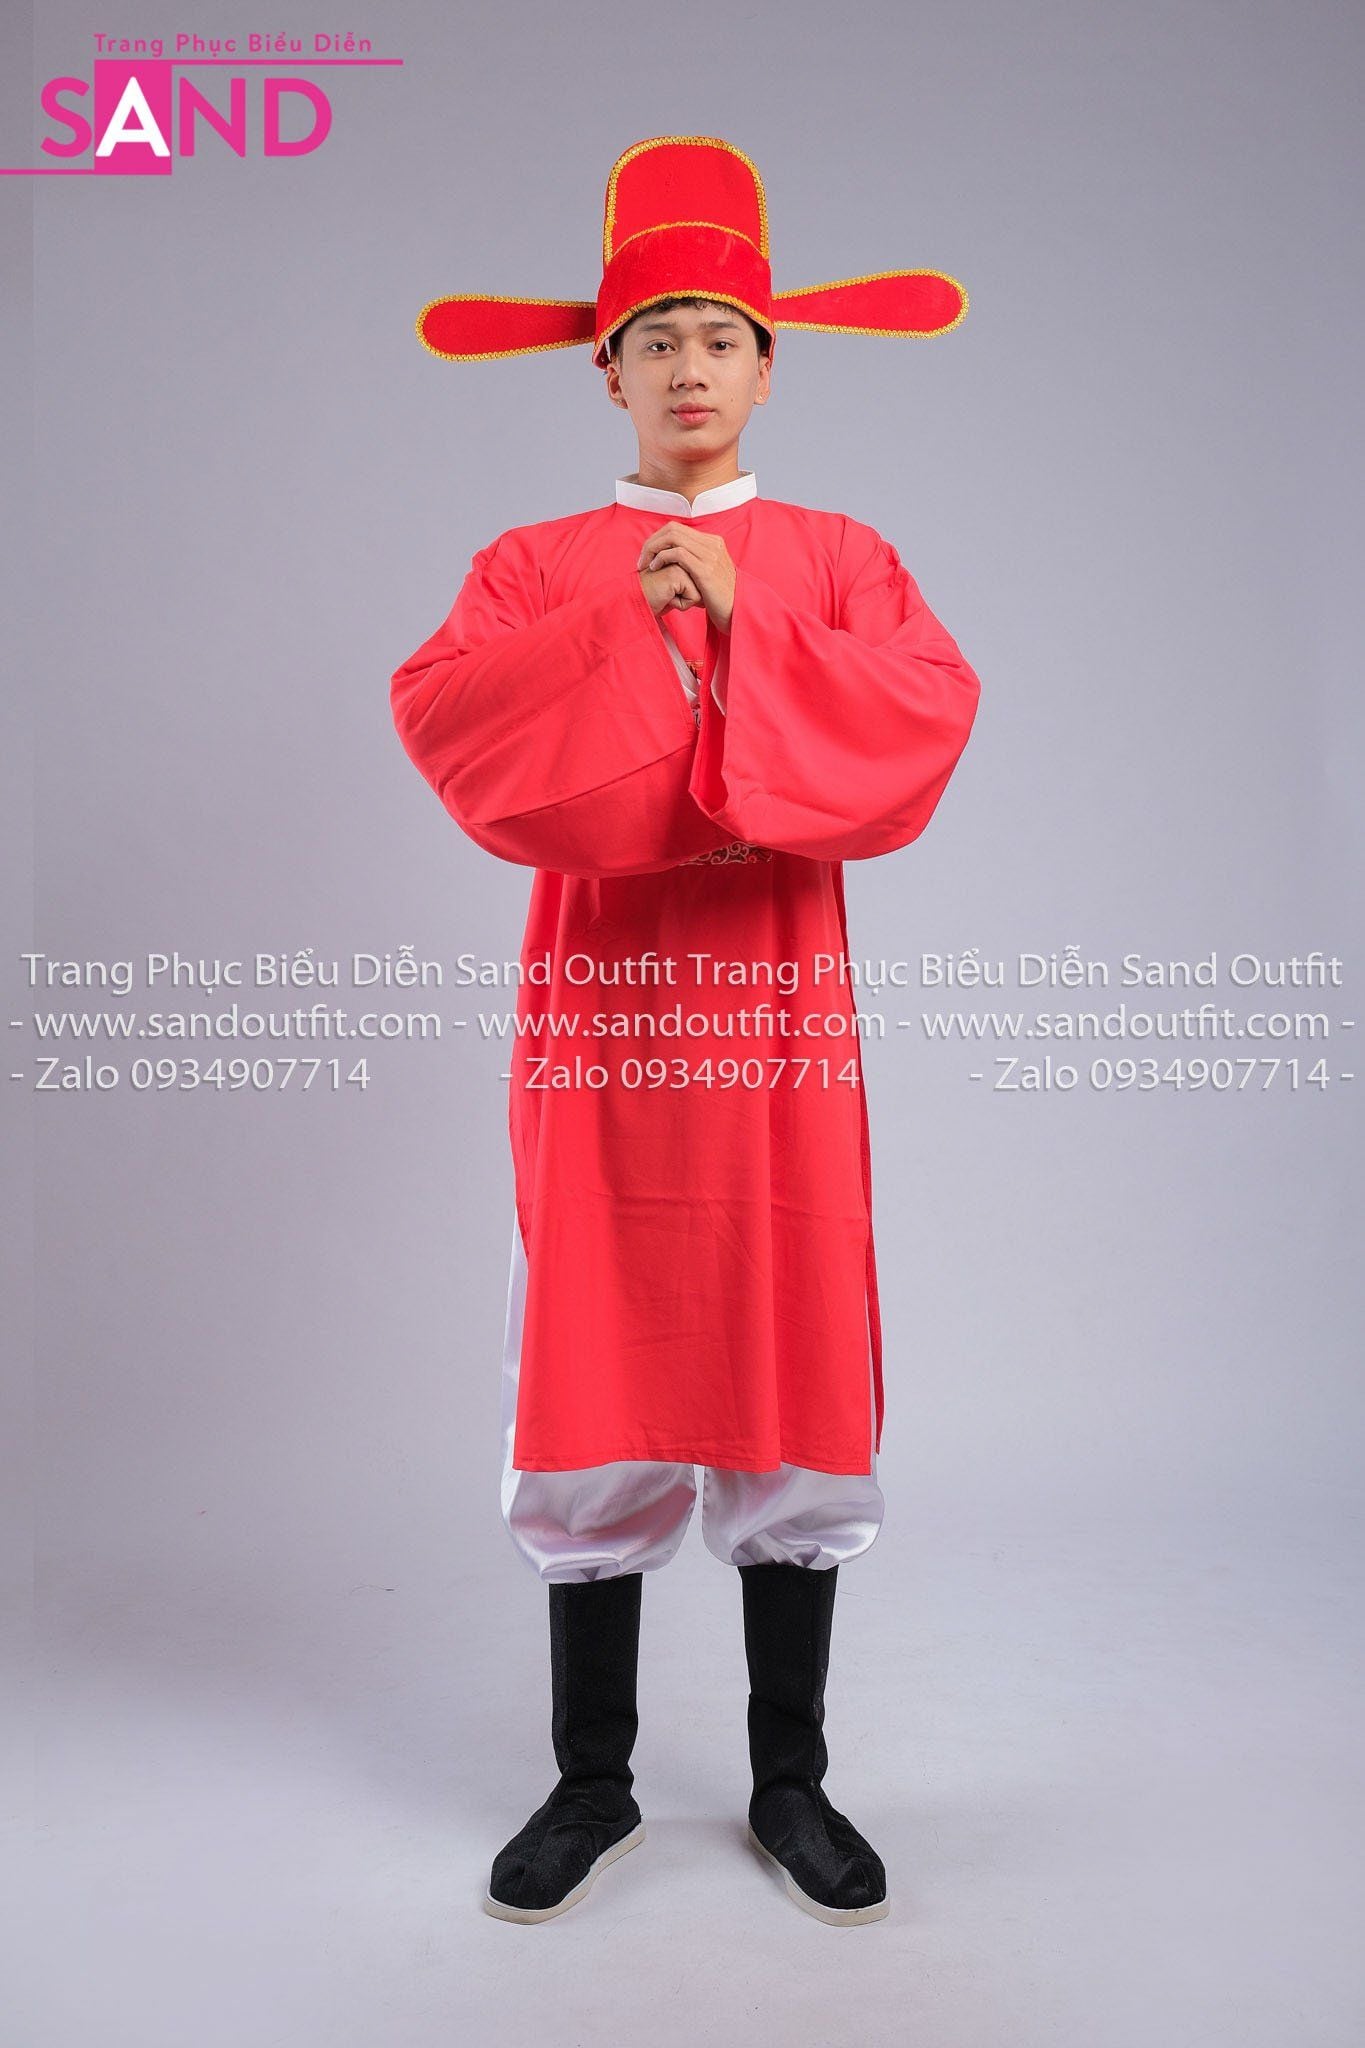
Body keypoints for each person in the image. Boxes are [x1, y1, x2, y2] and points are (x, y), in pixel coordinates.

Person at [390, 134, 981, 1928]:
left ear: (769, 366)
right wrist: (618, 622)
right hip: (605, 1014)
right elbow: (451, 728)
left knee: (788, 1340)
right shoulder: (532, 561)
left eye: (722, 337)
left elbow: (918, 722)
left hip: (775, 1014)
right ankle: (592, 1783)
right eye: (655, 341)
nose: (690, 367)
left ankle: (792, 1778)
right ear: (609, 373)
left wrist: (749, 618)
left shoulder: (837, 554)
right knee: (595, 1354)